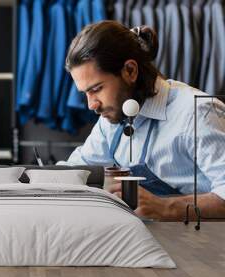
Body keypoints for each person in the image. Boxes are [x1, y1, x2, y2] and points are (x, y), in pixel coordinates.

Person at [59, 20, 225, 221]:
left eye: (96, 89)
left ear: (130, 70)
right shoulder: (110, 122)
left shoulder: (198, 112)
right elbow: (76, 171)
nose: (91, 104)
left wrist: (167, 208)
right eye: (85, 93)